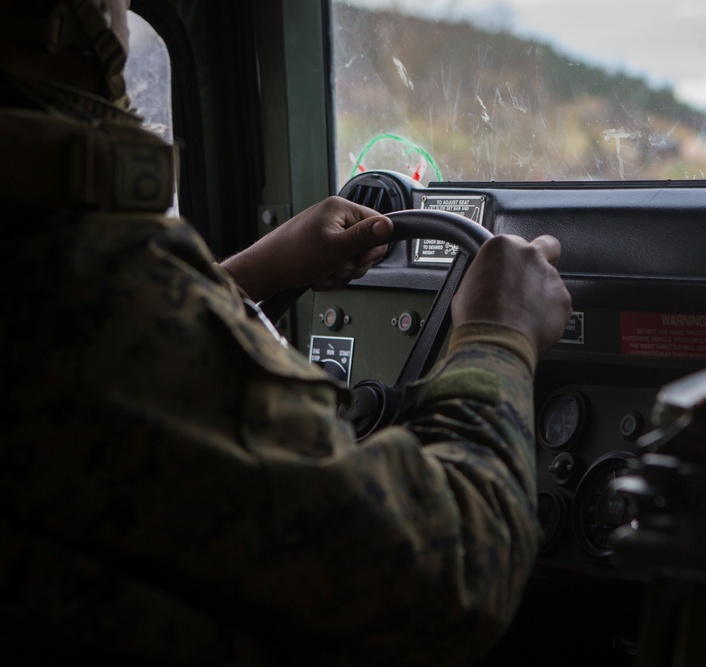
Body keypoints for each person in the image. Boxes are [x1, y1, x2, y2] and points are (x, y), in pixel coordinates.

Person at [0, 0, 572, 664]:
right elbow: (448, 580)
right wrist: (498, 336)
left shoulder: (57, 270)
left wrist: (249, 273)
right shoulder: (65, 268)